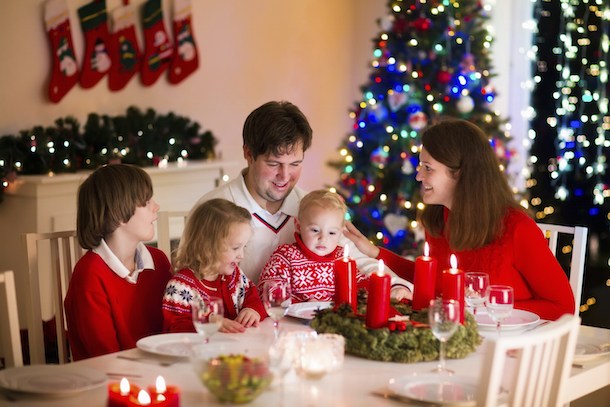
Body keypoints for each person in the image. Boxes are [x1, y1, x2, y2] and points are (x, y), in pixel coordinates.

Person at [344, 118, 574, 321]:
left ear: (460, 173)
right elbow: (432, 279)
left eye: (428, 168)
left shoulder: (516, 228)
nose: (418, 176)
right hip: (461, 344)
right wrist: (374, 252)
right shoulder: (438, 220)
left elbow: (563, 308)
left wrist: (486, 307)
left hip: (510, 351)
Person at [193, 100, 411, 297]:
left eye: (295, 164)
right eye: (273, 164)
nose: (285, 176)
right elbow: (193, 283)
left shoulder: (313, 208)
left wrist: (395, 286)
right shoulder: (214, 209)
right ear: (248, 154)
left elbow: (357, 260)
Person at [64, 164, 173, 361]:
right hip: (111, 381)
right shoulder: (90, 275)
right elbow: (105, 358)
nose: (156, 206)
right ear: (120, 213)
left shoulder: (159, 260)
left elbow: (176, 325)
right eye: (146, 201)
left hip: (160, 371)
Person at [162, 198, 266, 333]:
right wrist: (209, 322)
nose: (241, 255)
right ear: (207, 247)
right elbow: (174, 328)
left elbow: (253, 296)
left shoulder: (235, 276)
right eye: (235, 248)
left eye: (243, 247)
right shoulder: (181, 286)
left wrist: (252, 310)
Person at [259, 189, 368, 303]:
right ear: (298, 226)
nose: (323, 238)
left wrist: (367, 293)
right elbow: (268, 292)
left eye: (332, 233)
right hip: (292, 319)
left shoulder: (342, 258)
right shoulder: (286, 256)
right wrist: (302, 305)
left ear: (340, 232)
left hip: (333, 318)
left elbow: (360, 284)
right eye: (315, 230)